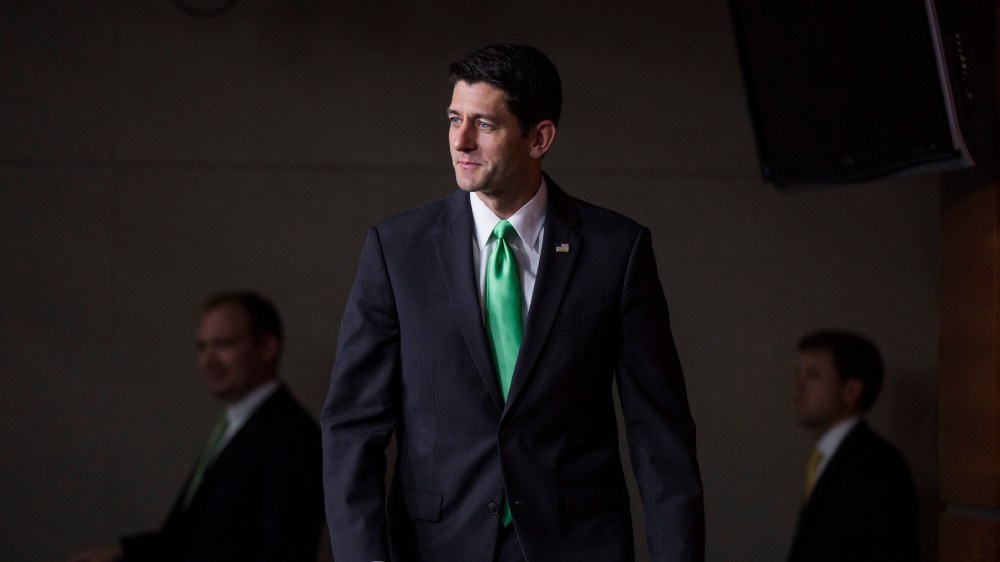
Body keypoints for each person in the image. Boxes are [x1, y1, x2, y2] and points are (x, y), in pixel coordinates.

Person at [321, 43, 704, 562]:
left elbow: (659, 434)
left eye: (485, 124)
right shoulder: (397, 249)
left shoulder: (617, 251)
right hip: (436, 545)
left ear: (539, 137)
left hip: (575, 545)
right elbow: (352, 428)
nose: (460, 141)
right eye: (454, 118)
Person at [70, 291, 325, 562]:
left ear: (267, 348)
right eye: (202, 347)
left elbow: (284, 551)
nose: (208, 360)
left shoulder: (291, 436)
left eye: (223, 344)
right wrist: (122, 553)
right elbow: (203, 535)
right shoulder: (235, 425)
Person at [788, 330, 919, 562]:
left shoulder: (878, 468)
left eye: (813, 375)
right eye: (797, 374)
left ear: (851, 390)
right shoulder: (829, 459)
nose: (798, 386)